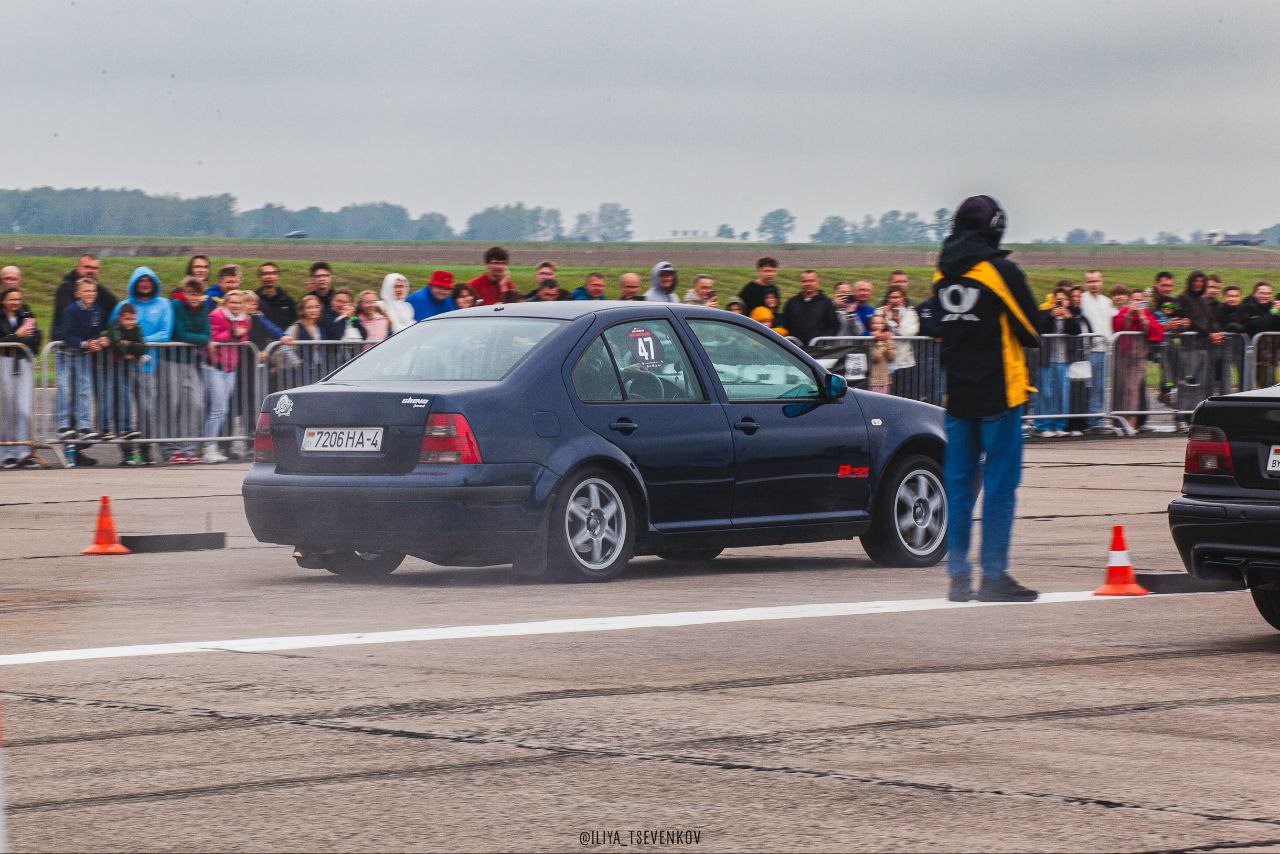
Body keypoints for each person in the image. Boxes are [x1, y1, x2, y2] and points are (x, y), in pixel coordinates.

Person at [936, 194, 1041, 603]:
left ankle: (958, 577)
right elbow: (1033, 330)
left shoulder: (942, 274)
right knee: (1000, 487)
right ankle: (993, 577)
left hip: (958, 396)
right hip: (999, 394)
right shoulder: (1000, 272)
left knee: (960, 488)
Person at [111, 266, 172, 465]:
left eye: (148, 281)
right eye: (141, 281)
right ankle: (127, 451)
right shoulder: (124, 305)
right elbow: (113, 331)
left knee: (147, 409)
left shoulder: (163, 304)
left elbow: (165, 333)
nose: (144, 284)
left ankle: (146, 449)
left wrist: (138, 343)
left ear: (154, 283)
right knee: (124, 409)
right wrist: (130, 346)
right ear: (134, 283)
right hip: (124, 366)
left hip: (149, 366)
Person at [59, 278, 110, 448]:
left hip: (83, 355)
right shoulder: (71, 311)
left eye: (93, 291)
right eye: (86, 291)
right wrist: (85, 343)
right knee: (65, 388)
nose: (90, 294)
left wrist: (98, 340)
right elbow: (66, 335)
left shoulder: (97, 311)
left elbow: (95, 331)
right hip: (66, 354)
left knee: (84, 389)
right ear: (78, 294)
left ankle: (84, 426)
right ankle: (63, 425)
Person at [202, 290, 251, 463]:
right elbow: (212, 337)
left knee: (224, 409)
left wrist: (237, 334)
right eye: (232, 302)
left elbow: (243, 338)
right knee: (217, 409)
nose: (236, 305)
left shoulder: (244, 318)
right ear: (225, 303)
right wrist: (232, 333)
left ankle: (212, 446)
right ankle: (209, 448)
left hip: (231, 367)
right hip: (214, 366)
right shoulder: (216, 315)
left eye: (239, 303)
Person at [166, 278, 210, 464]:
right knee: (173, 405)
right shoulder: (176, 305)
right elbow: (180, 333)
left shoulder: (203, 308)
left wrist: (197, 339)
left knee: (196, 404)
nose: (194, 297)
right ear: (184, 293)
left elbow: (206, 335)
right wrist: (197, 338)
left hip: (191, 361)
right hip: (172, 361)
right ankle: (172, 449)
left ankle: (189, 448)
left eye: (197, 294)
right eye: (191, 293)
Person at [0, 283, 41, 468]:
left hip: (23, 363)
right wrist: (17, 335)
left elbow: (36, 338)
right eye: (11, 299)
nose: (15, 302)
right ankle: (6, 452)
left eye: (18, 299)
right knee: (7, 409)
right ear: (4, 301)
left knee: (24, 409)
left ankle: (24, 451)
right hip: (4, 362)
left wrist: (24, 337)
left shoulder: (27, 315)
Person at [1034, 285, 1082, 437]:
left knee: (1062, 394)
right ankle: (1043, 425)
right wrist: (1051, 316)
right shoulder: (1044, 313)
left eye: (1063, 300)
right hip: (1046, 360)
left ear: (1068, 301)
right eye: (1058, 300)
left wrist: (1068, 318)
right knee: (1046, 393)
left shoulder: (1071, 316)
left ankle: (1059, 425)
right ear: (1053, 300)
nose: (1060, 302)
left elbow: (1077, 332)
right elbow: (1039, 329)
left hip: (1063, 361)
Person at [1112, 291, 1161, 431]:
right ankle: (1117, 422)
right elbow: (1117, 326)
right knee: (1120, 388)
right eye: (1135, 300)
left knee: (1132, 388)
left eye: (1140, 300)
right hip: (1122, 355)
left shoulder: (1147, 314)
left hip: (1138, 356)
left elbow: (1155, 330)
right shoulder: (1123, 312)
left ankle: (1131, 422)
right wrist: (1129, 315)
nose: (1137, 302)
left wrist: (1141, 317)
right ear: (1130, 301)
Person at [105, 304, 147, 463]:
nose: (130, 322)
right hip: (112, 368)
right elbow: (116, 342)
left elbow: (142, 347)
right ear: (120, 318)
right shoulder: (114, 326)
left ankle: (128, 430)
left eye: (133, 319)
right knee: (117, 399)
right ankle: (121, 431)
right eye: (127, 319)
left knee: (126, 396)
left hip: (128, 369)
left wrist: (128, 346)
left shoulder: (136, 328)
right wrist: (125, 352)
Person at [1077, 270, 1114, 432]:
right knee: (1087, 386)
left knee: (1100, 386)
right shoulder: (1082, 300)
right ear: (1086, 283)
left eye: (1096, 281)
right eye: (1090, 281)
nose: (1094, 284)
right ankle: (1088, 419)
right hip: (1087, 350)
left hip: (1104, 350)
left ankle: (1097, 418)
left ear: (1101, 282)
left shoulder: (1106, 301)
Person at [877, 286, 920, 398]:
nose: (895, 300)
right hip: (885, 360)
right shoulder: (880, 311)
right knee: (885, 395)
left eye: (897, 297)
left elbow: (907, 333)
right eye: (892, 297)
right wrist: (885, 316)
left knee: (904, 395)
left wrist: (892, 322)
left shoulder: (910, 313)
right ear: (888, 298)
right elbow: (876, 329)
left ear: (902, 298)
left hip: (905, 362)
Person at [781, 270, 838, 345]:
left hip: (819, 350)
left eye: (811, 281)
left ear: (817, 282)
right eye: (805, 281)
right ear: (801, 283)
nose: (808, 284)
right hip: (796, 348)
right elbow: (786, 324)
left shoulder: (827, 303)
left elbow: (833, 326)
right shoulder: (792, 302)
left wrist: (822, 342)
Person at [1243, 282, 1279, 388]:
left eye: (1268, 293)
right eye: (1262, 293)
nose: (1266, 296)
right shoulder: (1248, 306)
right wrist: (1273, 312)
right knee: (1254, 384)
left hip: (1271, 353)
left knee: (1269, 382)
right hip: (1253, 353)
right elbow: (1257, 326)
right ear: (1254, 293)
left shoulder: (1271, 307)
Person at [255, 262, 296, 330]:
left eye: (273, 273)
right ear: (259, 277)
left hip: (282, 339)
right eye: (265, 274)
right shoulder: (253, 299)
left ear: (278, 276)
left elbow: (294, 323)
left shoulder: (287, 301)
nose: (269, 277)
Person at [866, 314, 896, 395]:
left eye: (881, 323)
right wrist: (879, 342)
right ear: (871, 325)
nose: (878, 325)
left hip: (885, 378)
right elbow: (876, 357)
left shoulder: (886, 338)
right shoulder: (869, 339)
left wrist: (889, 342)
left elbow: (891, 356)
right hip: (874, 380)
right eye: (875, 323)